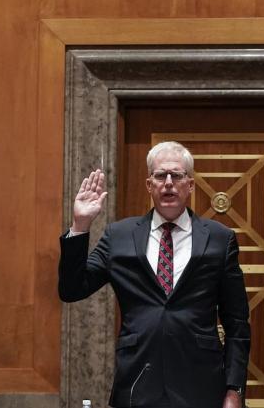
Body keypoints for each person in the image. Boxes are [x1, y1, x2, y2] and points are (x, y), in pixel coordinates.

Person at [58, 141, 250, 408]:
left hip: (201, 385)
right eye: (160, 176)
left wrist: (234, 389)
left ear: (190, 185)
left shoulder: (219, 238)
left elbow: (237, 323)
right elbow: (72, 289)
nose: (168, 182)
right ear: (149, 185)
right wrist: (80, 225)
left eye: (177, 175)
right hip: (138, 381)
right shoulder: (119, 236)